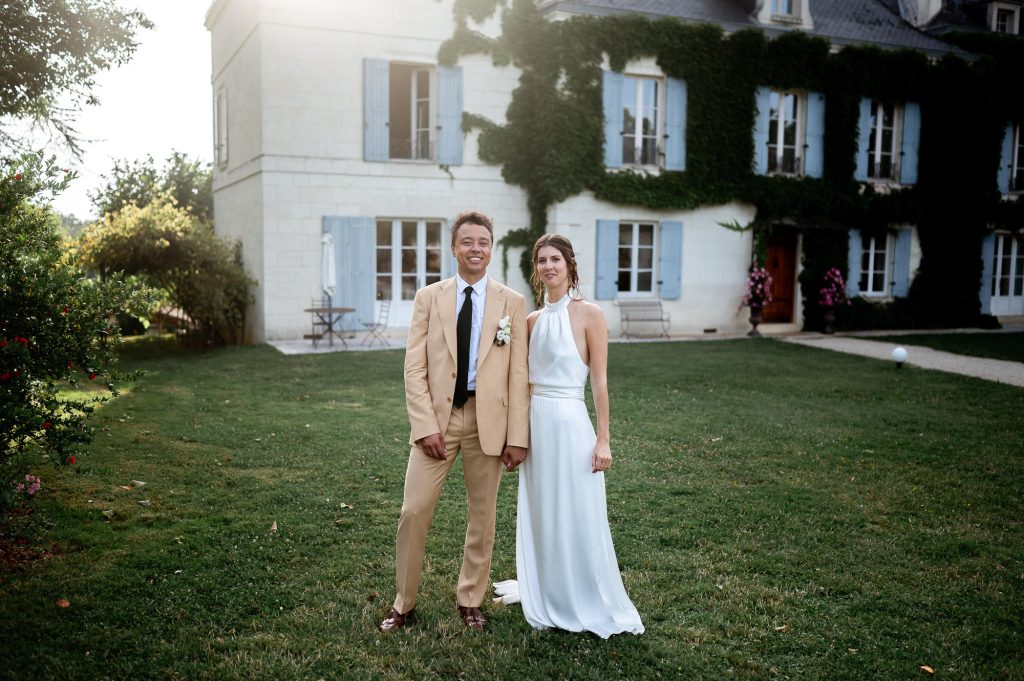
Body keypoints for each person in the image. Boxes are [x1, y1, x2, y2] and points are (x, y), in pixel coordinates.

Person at [379, 210, 530, 633]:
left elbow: (519, 375)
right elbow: (414, 368)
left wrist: (517, 436)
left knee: (483, 516)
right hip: (438, 422)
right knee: (413, 511)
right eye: (467, 241)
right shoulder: (429, 298)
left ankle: (470, 600)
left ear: (491, 247)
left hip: (489, 423)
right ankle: (403, 604)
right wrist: (425, 425)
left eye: (483, 241)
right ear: (453, 248)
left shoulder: (512, 303)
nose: (475, 249)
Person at [493, 234, 644, 638]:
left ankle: (578, 593)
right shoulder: (529, 321)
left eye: (555, 259)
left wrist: (604, 439)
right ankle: (545, 586)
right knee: (543, 509)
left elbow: (599, 380)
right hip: (537, 428)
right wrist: (515, 438)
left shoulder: (590, 314)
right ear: (536, 269)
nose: (548, 266)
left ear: (570, 264)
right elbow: (522, 385)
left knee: (575, 511)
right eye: (541, 260)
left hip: (571, 423)